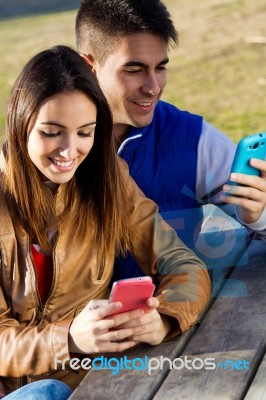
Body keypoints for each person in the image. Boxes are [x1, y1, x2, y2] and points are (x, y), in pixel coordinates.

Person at [0, 45, 211, 397]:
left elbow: (182, 262)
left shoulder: (107, 178)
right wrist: (68, 337)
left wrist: (164, 319)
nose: (69, 152)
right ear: (21, 124)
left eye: (85, 132)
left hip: (91, 383)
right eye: (52, 132)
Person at [76, 0, 266, 280]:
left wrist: (257, 215)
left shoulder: (193, 139)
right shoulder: (46, 146)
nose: (153, 87)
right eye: (134, 70)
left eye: (160, 67)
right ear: (89, 66)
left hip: (171, 313)